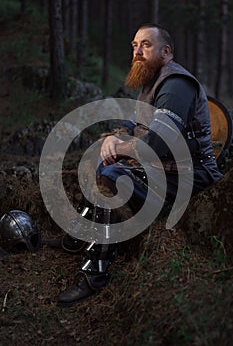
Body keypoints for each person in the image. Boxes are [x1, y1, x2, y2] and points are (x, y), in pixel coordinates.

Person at [47, 23, 223, 307]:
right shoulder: (151, 83)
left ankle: (96, 273)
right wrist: (113, 139)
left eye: (146, 45)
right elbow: (132, 126)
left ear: (166, 52)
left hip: (193, 176)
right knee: (98, 158)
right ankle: (78, 237)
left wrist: (119, 147)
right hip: (164, 170)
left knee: (116, 176)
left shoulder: (176, 84)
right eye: (134, 46)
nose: (137, 52)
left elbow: (159, 143)